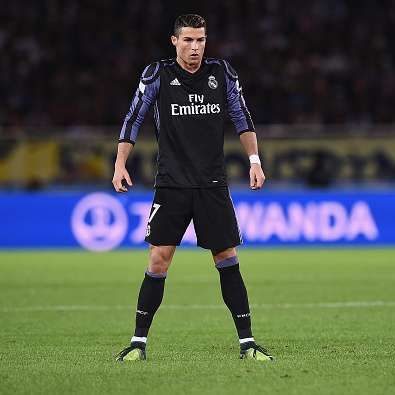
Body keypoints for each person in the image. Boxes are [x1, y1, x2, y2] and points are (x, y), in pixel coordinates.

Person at [112, 14, 273, 362]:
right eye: (187, 40)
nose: (195, 47)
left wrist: (255, 161)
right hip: (171, 183)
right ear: (174, 42)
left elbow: (242, 117)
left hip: (212, 184)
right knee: (158, 260)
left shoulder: (222, 74)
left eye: (200, 40)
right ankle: (138, 344)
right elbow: (134, 116)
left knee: (227, 258)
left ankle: (248, 344)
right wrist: (120, 162)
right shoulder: (158, 75)